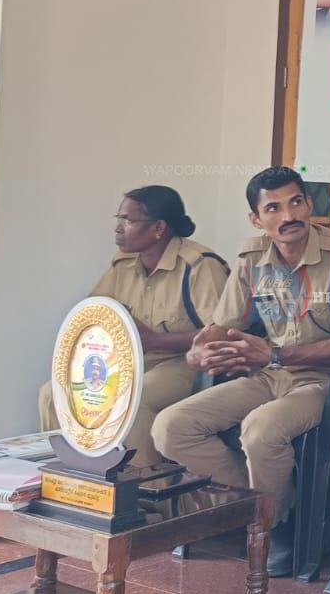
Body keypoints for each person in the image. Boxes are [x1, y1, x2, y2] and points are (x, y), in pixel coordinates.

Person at [152, 166, 330, 576]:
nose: (288, 215)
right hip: (267, 377)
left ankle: (270, 527)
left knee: (260, 429)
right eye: (273, 208)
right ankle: (274, 508)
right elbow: (223, 326)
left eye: (296, 202)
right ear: (256, 219)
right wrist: (198, 353)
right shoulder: (252, 257)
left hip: (325, 381)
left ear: (309, 204)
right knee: (171, 426)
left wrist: (276, 354)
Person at [38, 186, 228, 468]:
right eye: (119, 219)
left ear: (159, 228)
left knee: (134, 401)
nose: (117, 228)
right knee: (53, 393)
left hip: (182, 362)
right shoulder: (124, 264)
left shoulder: (199, 265)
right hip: (128, 361)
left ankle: (141, 488)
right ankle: (72, 476)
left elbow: (221, 333)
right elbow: (95, 313)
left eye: (127, 221)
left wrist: (156, 342)